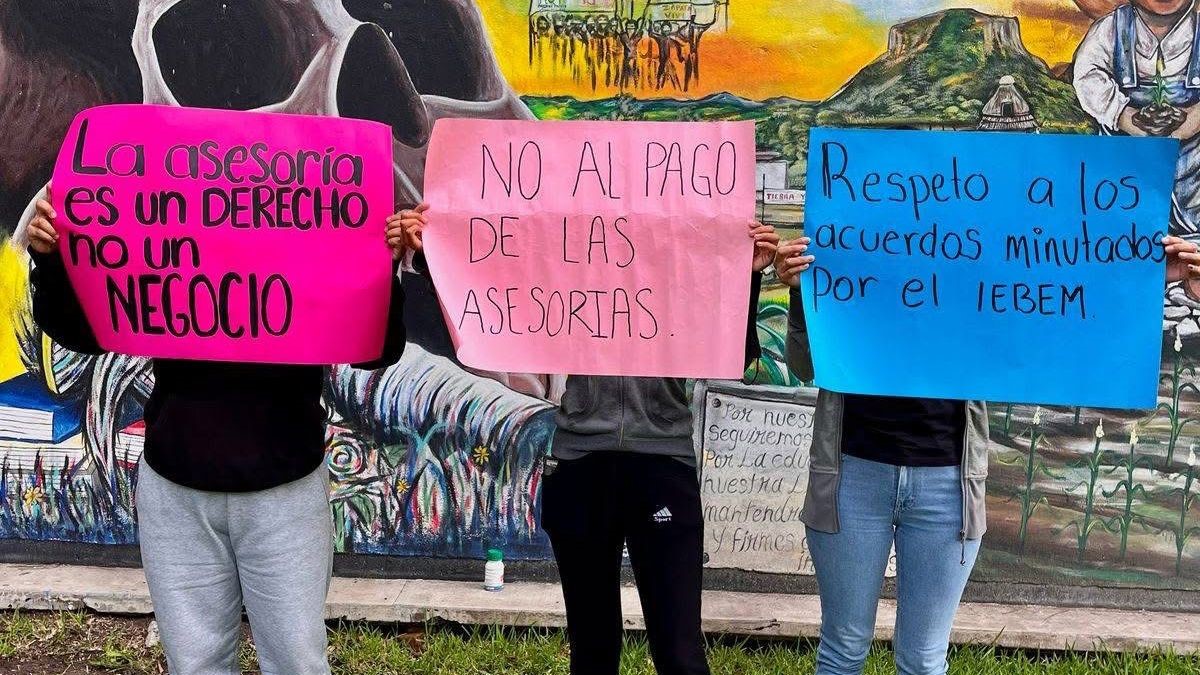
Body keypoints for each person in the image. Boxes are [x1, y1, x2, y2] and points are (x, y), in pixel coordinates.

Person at [23, 183, 414, 675]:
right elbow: (84, 331)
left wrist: (382, 264)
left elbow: (377, 348)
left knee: (296, 663)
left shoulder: (307, 227)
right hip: (178, 491)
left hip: (283, 492)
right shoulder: (166, 215)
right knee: (195, 665)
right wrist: (52, 259)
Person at [773, 234, 1200, 675]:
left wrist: (1143, 276)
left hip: (947, 485)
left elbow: (1059, 300)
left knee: (923, 659)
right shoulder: (857, 237)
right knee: (843, 650)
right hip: (851, 474)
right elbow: (806, 366)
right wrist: (802, 289)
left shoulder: (982, 247)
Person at [394, 205, 778, 675]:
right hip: (580, 462)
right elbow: (491, 294)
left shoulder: (680, 263)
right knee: (592, 650)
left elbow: (735, 355)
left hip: (663, 462)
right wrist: (431, 252)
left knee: (680, 653)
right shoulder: (568, 255)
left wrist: (747, 276)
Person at [1074, 0, 1200, 233]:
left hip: (1193, 168)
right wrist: (1125, 116)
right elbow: (1087, 77)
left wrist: (1191, 121)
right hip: (1125, 161)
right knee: (1121, 225)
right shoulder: (1110, 28)